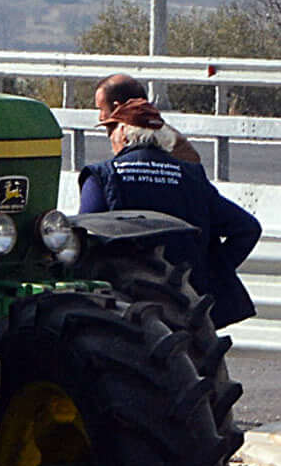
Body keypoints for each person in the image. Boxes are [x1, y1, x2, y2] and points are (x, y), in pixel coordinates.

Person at [77, 98, 261, 326]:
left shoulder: (102, 176)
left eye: (112, 129)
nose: (110, 136)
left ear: (124, 133)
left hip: (124, 309)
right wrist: (208, 271)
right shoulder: (192, 176)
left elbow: (83, 238)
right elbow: (247, 228)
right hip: (185, 306)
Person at [94, 72, 199, 166]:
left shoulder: (124, 140)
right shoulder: (171, 138)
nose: (100, 118)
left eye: (101, 109)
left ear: (117, 107)